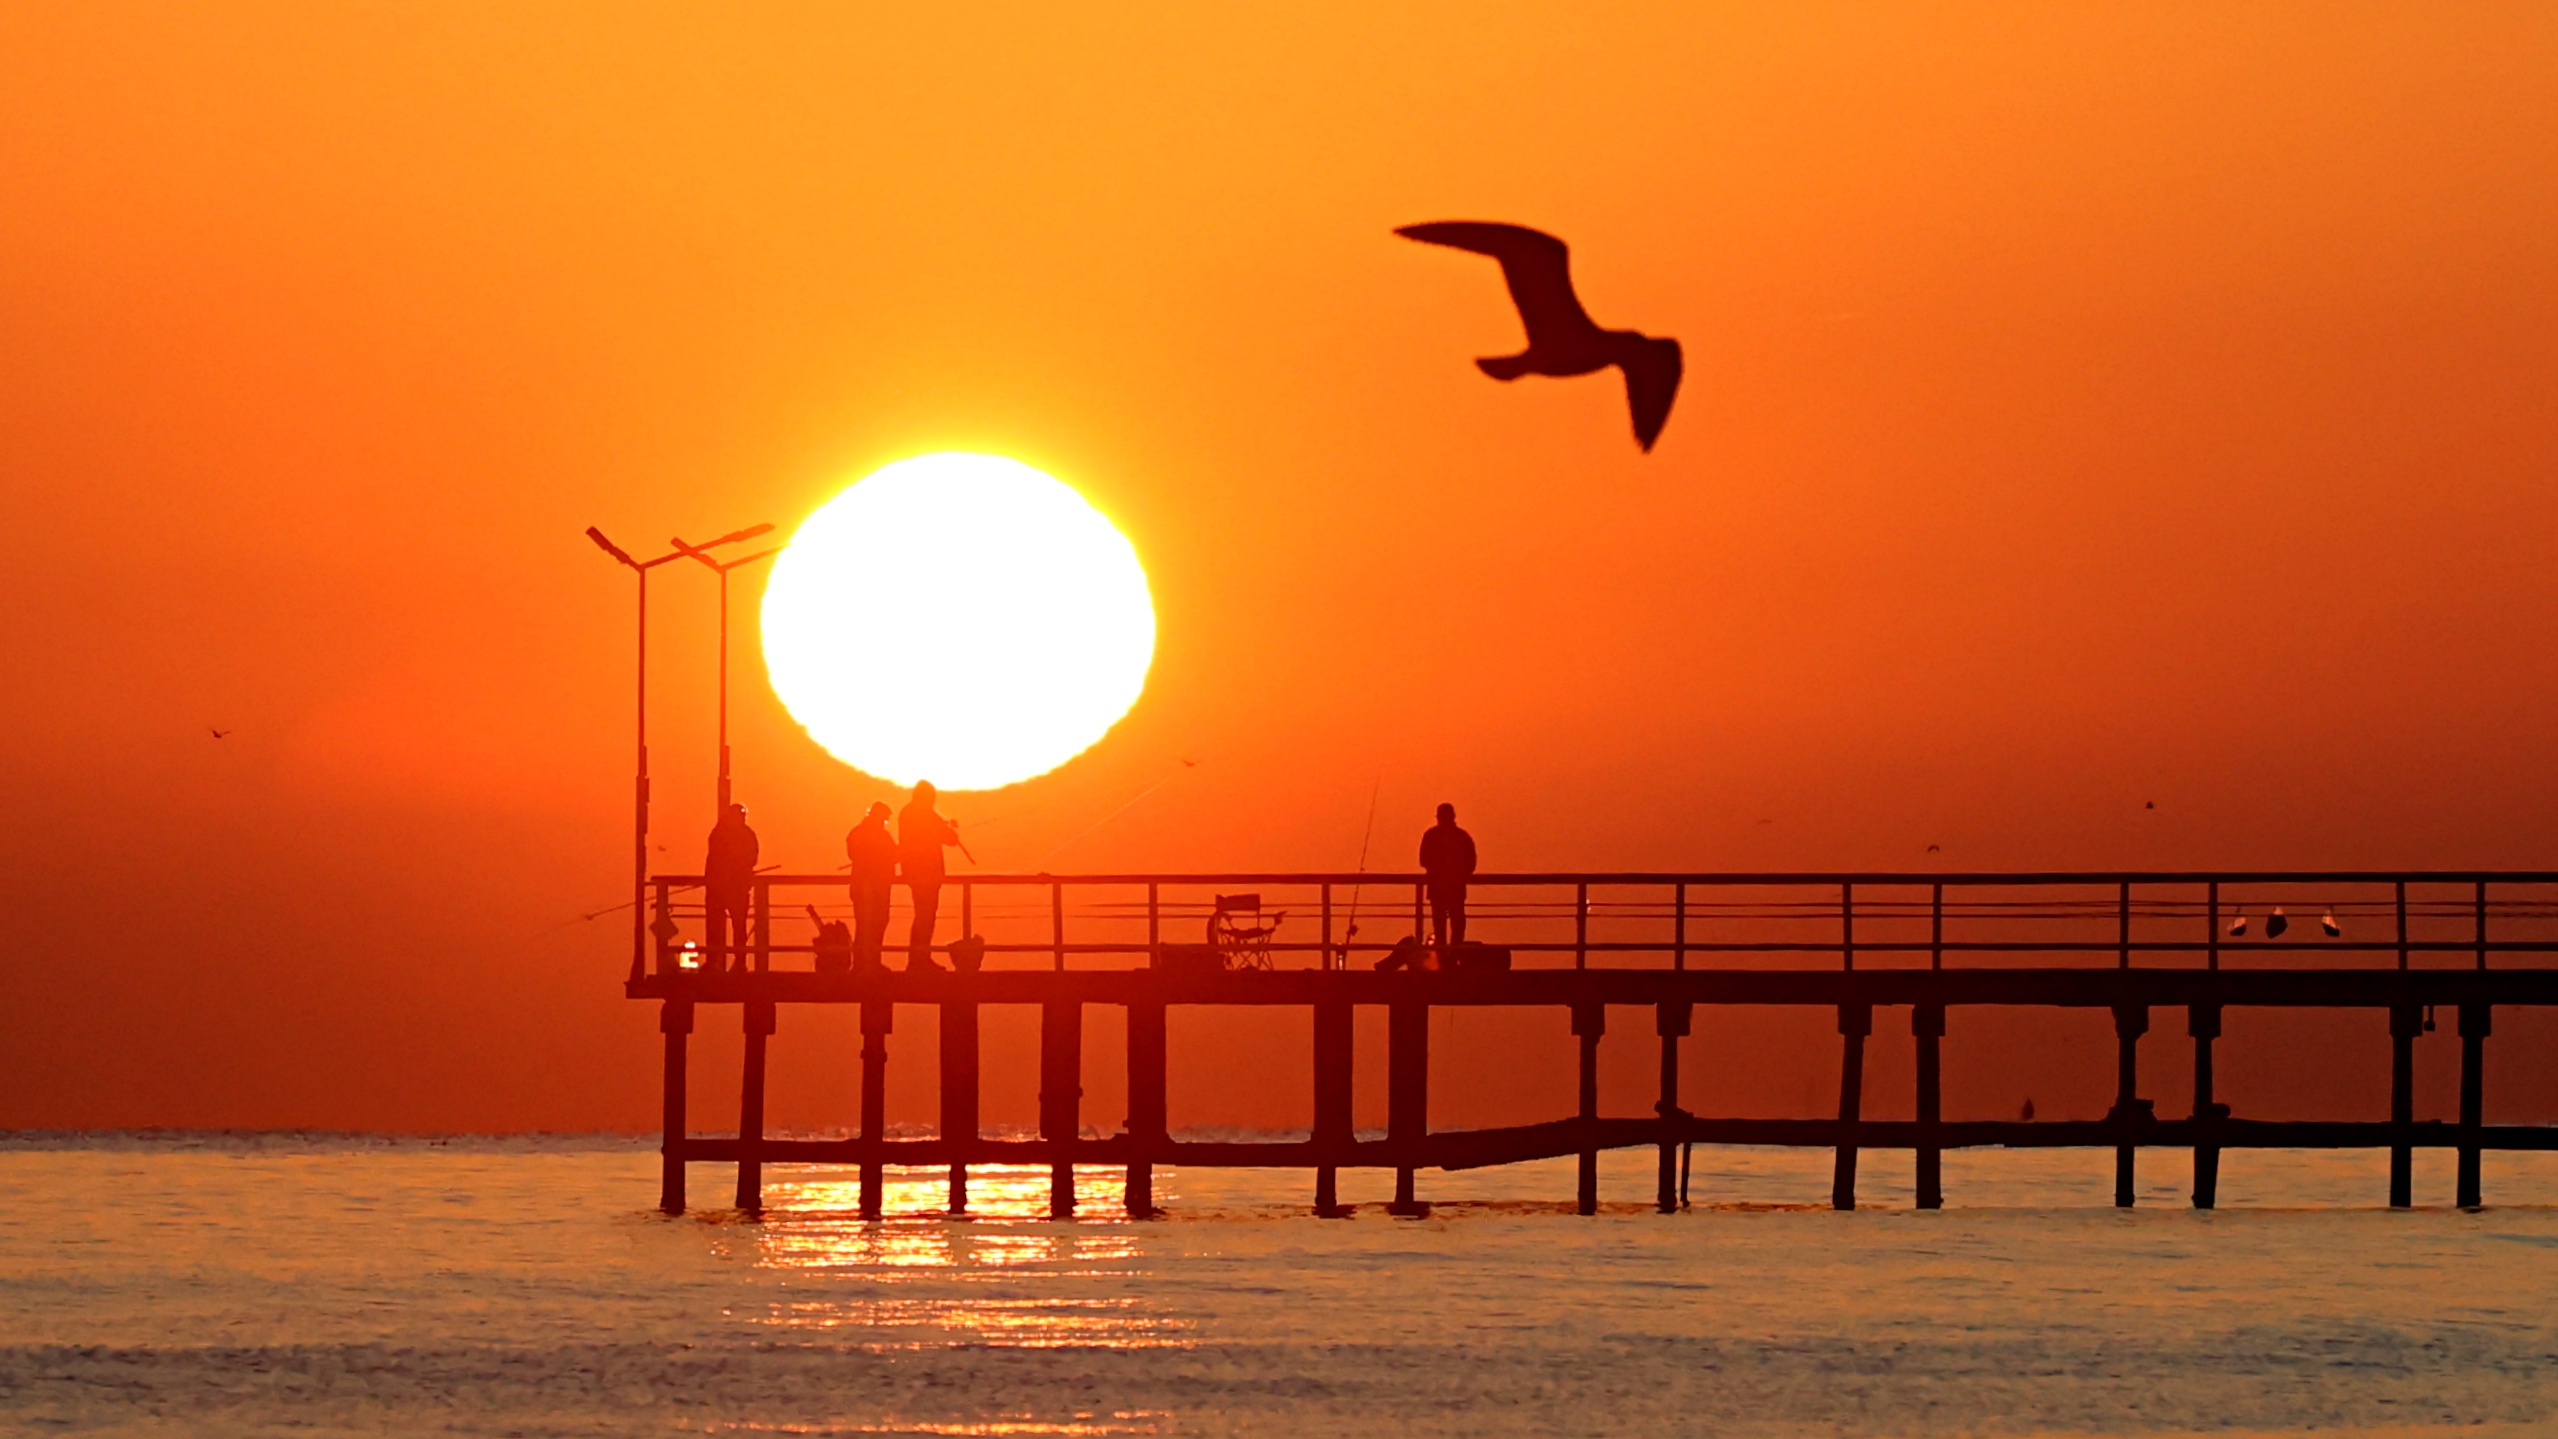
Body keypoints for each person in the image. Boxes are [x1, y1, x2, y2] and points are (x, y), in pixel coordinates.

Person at [899, 780, 962, 971]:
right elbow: (950, 839)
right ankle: (919, 960)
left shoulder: (907, 812)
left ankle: (918, 959)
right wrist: (947, 827)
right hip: (927, 873)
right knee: (925, 916)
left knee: (923, 915)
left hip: (913, 872)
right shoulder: (925, 814)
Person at [704, 801, 760, 972]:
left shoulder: (720, 833)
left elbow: (751, 858)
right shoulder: (724, 833)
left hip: (730, 888)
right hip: (723, 888)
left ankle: (736, 961)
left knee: (734, 925)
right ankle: (718, 960)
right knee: (721, 925)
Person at [844, 801, 898, 972]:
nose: (885, 822)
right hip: (877, 888)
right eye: (885, 819)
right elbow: (894, 855)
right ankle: (871, 962)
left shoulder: (855, 833)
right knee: (877, 923)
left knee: (863, 925)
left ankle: (862, 963)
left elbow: (853, 854)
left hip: (860, 886)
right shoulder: (881, 836)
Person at [1419, 802, 1476, 953]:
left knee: (1442, 924)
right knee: (1455, 923)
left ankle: (1444, 955)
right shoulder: (1462, 837)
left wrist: (1438, 869)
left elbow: (1423, 860)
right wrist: (1459, 874)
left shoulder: (1431, 836)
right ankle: (1453, 954)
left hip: (1440, 887)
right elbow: (1471, 862)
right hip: (1454, 888)